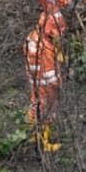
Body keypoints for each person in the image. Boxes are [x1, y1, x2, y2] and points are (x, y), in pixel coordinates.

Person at [25, 14, 65, 152]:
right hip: (45, 85)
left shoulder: (32, 37)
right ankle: (46, 143)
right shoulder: (46, 49)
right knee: (47, 109)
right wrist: (59, 85)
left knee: (35, 104)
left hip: (34, 79)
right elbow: (51, 77)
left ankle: (33, 135)